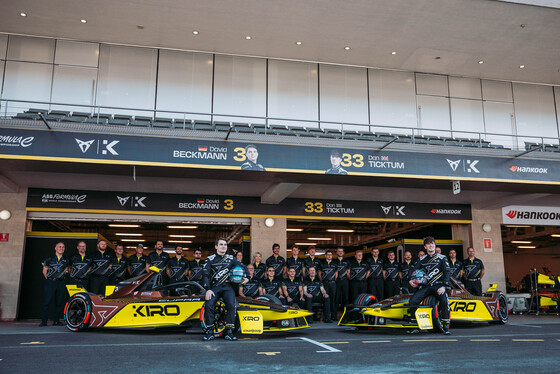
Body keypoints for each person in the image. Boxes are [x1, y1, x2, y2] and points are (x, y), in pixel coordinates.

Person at [202, 238, 248, 341]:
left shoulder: (231, 258)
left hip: (228, 287)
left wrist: (247, 277)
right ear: (216, 246)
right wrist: (208, 289)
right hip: (214, 287)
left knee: (232, 305)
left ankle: (229, 332)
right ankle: (210, 332)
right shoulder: (210, 259)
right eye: (221, 244)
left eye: (225, 245)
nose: (223, 246)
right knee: (209, 305)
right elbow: (205, 275)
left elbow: (243, 266)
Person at [408, 237, 451, 335]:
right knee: (413, 300)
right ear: (425, 247)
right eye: (428, 244)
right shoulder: (422, 259)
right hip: (426, 287)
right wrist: (411, 280)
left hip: (439, 286)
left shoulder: (442, 258)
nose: (431, 245)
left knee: (444, 301)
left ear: (435, 245)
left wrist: (444, 286)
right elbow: (412, 270)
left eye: (432, 244)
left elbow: (447, 272)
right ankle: (414, 325)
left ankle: (445, 326)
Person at [40, 242, 69, 326]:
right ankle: (44, 321)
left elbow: (67, 270)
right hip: (51, 282)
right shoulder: (49, 259)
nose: (61, 248)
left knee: (59, 302)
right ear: (55, 248)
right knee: (47, 302)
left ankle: (56, 321)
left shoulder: (66, 260)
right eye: (59, 247)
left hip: (61, 282)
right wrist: (50, 279)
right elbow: (44, 271)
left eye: (63, 247)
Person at [320, 250, 338, 321]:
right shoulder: (322, 264)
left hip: (333, 283)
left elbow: (336, 275)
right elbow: (319, 274)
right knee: (326, 299)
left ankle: (333, 316)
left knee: (333, 300)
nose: (329, 256)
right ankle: (326, 317)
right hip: (325, 283)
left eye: (330, 255)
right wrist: (324, 281)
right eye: (328, 255)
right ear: (325, 255)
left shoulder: (335, 264)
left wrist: (332, 280)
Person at [334, 247, 350, 311]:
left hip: (345, 280)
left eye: (341, 251)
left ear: (343, 253)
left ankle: (346, 312)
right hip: (337, 281)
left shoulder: (347, 261)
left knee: (346, 297)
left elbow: (348, 272)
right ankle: (335, 314)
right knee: (337, 297)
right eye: (339, 251)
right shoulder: (334, 262)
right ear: (337, 252)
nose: (340, 252)